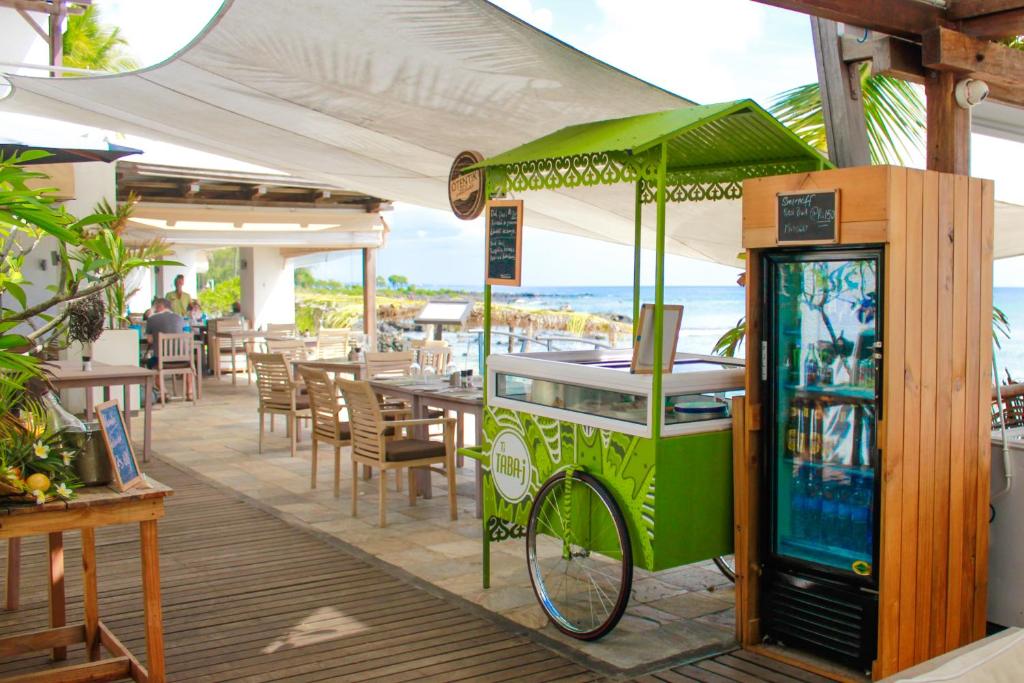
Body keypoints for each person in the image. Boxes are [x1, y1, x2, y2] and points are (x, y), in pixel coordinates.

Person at [144, 298, 187, 400]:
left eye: (155, 306)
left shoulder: (152, 319)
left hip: (162, 360)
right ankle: (189, 392)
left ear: (160, 306)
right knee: (190, 364)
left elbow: (150, 340)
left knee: (151, 364)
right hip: (182, 359)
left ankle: (164, 392)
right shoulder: (180, 318)